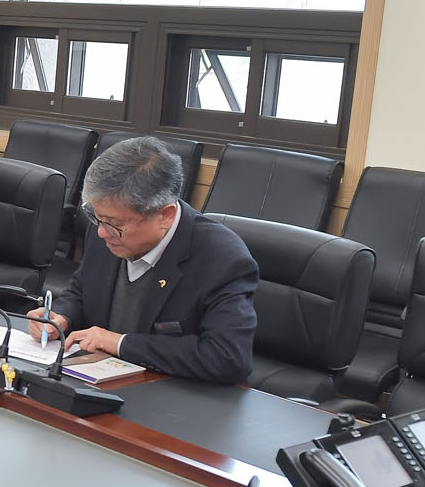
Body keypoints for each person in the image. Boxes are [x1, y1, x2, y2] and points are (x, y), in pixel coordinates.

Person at [26, 136, 258, 384]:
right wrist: (61, 317)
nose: (102, 232)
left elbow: (227, 357)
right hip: (94, 379)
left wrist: (121, 343)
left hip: (171, 393)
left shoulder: (222, 258)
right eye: (96, 217)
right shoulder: (105, 226)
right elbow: (81, 292)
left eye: (115, 224)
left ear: (165, 215)